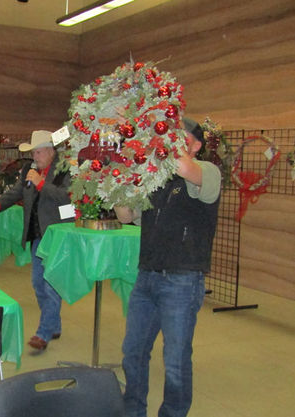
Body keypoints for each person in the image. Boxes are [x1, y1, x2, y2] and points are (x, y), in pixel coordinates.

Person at [114, 118, 221, 417]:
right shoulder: (154, 179)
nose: (170, 139)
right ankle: (132, 411)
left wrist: (152, 134)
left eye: (179, 136)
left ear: (197, 145)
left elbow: (183, 166)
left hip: (182, 281)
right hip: (146, 276)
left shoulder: (207, 172)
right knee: (133, 353)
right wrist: (119, 179)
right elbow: (125, 215)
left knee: (175, 360)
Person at [0, 130, 72, 351]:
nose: (35, 157)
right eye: (33, 153)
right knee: (38, 283)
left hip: (58, 234)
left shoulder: (65, 169)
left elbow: (68, 198)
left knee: (50, 285)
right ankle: (54, 324)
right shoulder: (29, 170)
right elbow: (17, 191)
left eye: (38, 152)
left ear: (51, 152)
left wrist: (41, 184)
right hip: (37, 235)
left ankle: (44, 332)